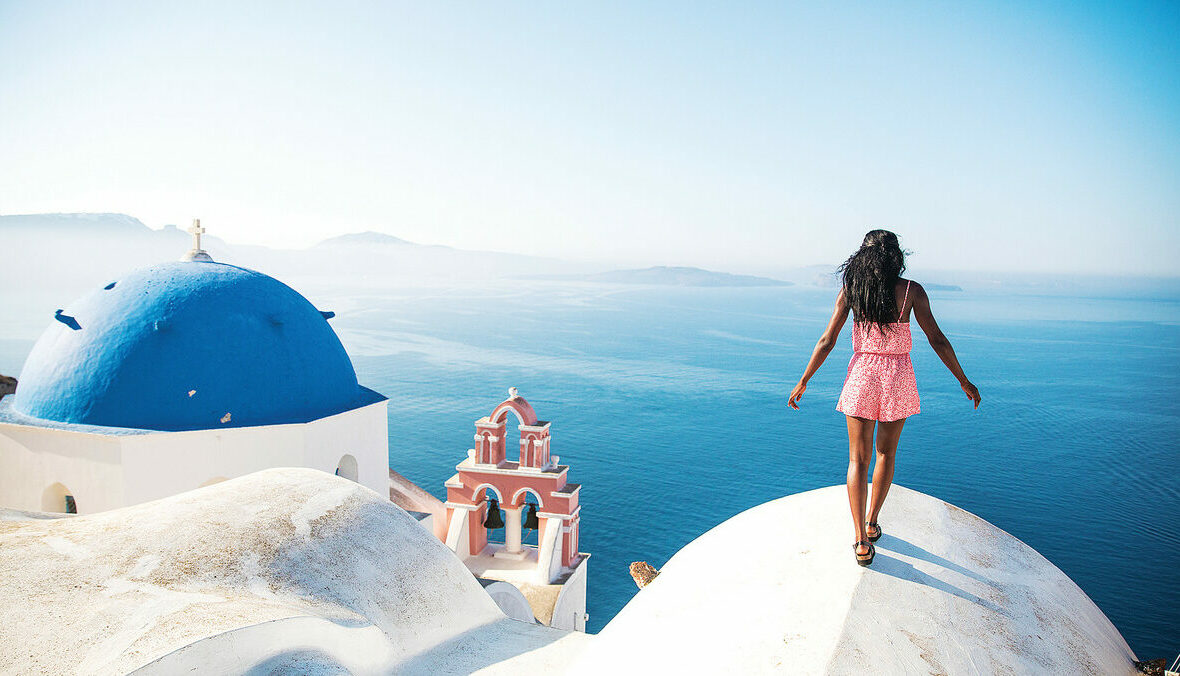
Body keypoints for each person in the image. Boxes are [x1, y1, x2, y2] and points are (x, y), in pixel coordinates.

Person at [788, 230, 980, 566]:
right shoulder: (911, 292)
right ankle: (872, 522)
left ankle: (860, 542)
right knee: (885, 455)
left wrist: (804, 380)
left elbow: (827, 340)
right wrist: (963, 380)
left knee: (856, 460)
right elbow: (937, 339)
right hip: (897, 379)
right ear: (896, 255)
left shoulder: (853, 290)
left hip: (862, 375)